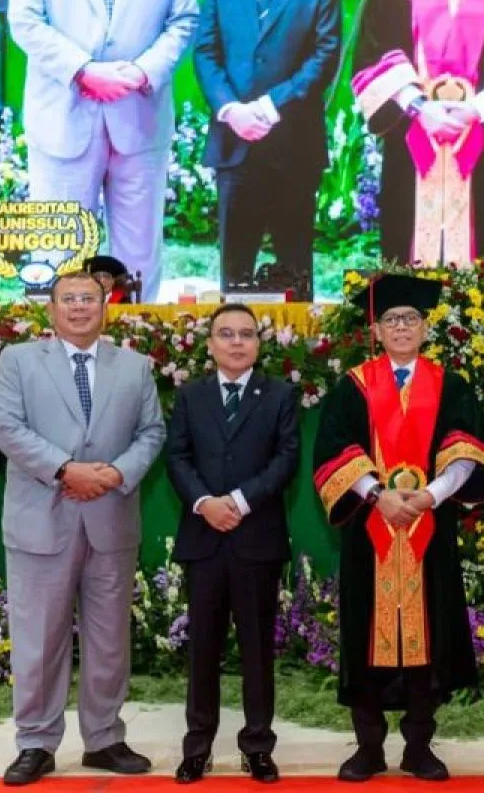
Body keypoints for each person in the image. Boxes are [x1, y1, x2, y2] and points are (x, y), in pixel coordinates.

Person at [312, 274, 484, 781]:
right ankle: (368, 747)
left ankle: (419, 745)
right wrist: (378, 495)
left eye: (410, 318)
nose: (400, 327)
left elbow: (469, 449)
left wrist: (430, 496)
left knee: (430, 632)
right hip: (369, 531)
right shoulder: (353, 386)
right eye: (391, 319)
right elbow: (332, 450)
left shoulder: (450, 385)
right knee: (364, 632)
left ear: (425, 327)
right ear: (376, 329)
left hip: (429, 530)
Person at [0, 272, 166, 786]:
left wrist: (114, 474)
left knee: (109, 639)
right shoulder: (19, 360)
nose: (80, 307)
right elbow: (6, 427)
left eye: (89, 298)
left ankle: (105, 738)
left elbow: (152, 431)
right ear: (51, 309)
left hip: (111, 518)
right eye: (69, 299)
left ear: (105, 307)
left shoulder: (134, 366)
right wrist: (67, 470)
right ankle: (35, 742)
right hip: (41, 520)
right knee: (39, 640)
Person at [165, 303, 300, 785]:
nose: (237, 342)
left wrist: (239, 502)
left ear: (259, 343)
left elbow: (286, 457)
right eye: (227, 334)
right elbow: (177, 456)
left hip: (256, 539)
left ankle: (257, 747)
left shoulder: (280, 394)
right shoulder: (190, 395)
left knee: (257, 651)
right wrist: (205, 503)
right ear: (211, 343)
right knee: (202, 648)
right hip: (204, 538)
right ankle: (197, 748)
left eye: (246, 334)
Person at [7, 0, 199, 304]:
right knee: (60, 248)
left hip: (141, 114)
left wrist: (144, 71)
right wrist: (82, 70)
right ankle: (58, 331)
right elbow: (25, 20)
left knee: (139, 253)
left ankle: (137, 329)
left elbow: (184, 20)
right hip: (62, 116)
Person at [350, 0, 484, 267]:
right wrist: (419, 107)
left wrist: (478, 108)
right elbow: (375, 47)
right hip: (413, 140)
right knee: (406, 241)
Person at [192, 0, 341, 300]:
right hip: (235, 144)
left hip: (295, 146)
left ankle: (298, 331)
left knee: (295, 268)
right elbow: (206, 52)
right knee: (235, 272)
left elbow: (325, 55)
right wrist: (231, 110)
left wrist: (269, 106)